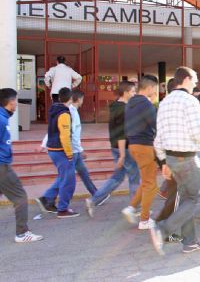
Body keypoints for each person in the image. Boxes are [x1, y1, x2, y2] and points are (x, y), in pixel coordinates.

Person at [149, 67, 200, 255]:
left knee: (187, 199)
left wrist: (163, 162)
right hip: (187, 157)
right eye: (195, 79)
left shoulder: (164, 102)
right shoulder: (190, 101)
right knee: (196, 196)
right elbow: (196, 133)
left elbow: (158, 137)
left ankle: (190, 242)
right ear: (186, 79)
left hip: (170, 157)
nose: (196, 83)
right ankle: (162, 230)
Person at [85, 81, 140, 216]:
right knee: (134, 177)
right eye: (133, 91)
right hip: (124, 148)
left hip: (115, 146)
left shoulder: (115, 106)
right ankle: (135, 208)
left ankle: (94, 200)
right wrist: (122, 155)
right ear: (126, 92)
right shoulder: (124, 109)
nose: (134, 94)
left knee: (118, 177)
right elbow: (122, 133)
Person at [0, 88, 44, 242]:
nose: (17, 104)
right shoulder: (1, 119)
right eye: (16, 100)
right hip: (2, 166)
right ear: (9, 101)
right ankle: (22, 233)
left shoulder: (3, 117)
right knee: (20, 197)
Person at [39, 90, 97, 197]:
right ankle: (48, 198)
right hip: (71, 150)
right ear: (78, 99)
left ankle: (96, 194)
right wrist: (80, 150)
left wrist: (44, 144)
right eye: (82, 99)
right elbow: (71, 134)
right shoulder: (70, 112)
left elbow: (53, 130)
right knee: (66, 177)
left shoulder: (69, 111)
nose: (82, 101)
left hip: (72, 149)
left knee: (83, 173)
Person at [121, 75, 159, 230]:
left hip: (134, 145)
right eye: (155, 89)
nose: (156, 92)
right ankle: (144, 220)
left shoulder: (131, 103)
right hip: (145, 145)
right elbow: (156, 125)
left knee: (146, 181)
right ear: (149, 88)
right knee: (151, 184)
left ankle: (131, 208)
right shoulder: (146, 104)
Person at [36, 87, 78, 218]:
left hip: (53, 149)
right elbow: (65, 136)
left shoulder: (55, 110)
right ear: (71, 99)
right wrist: (69, 153)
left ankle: (47, 198)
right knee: (69, 181)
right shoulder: (64, 114)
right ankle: (63, 209)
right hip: (61, 151)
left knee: (63, 178)